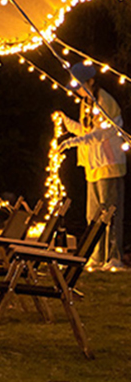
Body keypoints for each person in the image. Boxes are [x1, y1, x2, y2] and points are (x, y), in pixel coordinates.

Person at [56, 62, 127, 268]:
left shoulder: (105, 101)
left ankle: (113, 257)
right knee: (93, 215)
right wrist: (67, 123)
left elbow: (100, 134)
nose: (78, 91)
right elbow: (86, 132)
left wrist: (72, 142)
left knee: (109, 213)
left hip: (109, 164)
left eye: (80, 85)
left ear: (91, 82)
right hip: (93, 166)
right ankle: (96, 255)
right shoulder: (87, 104)